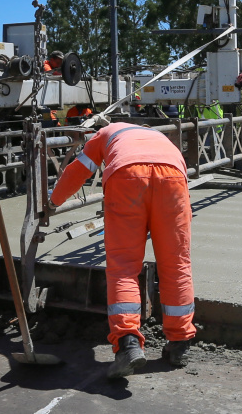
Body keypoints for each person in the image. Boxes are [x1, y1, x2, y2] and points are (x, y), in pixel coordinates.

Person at [49, 122, 196, 378]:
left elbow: (78, 171)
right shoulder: (157, 135)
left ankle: (128, 343)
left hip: (127, 177)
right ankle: (180, 344)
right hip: (173, 179)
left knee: (123, 267)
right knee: (176, 265)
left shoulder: (105, 133)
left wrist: (52, 201)